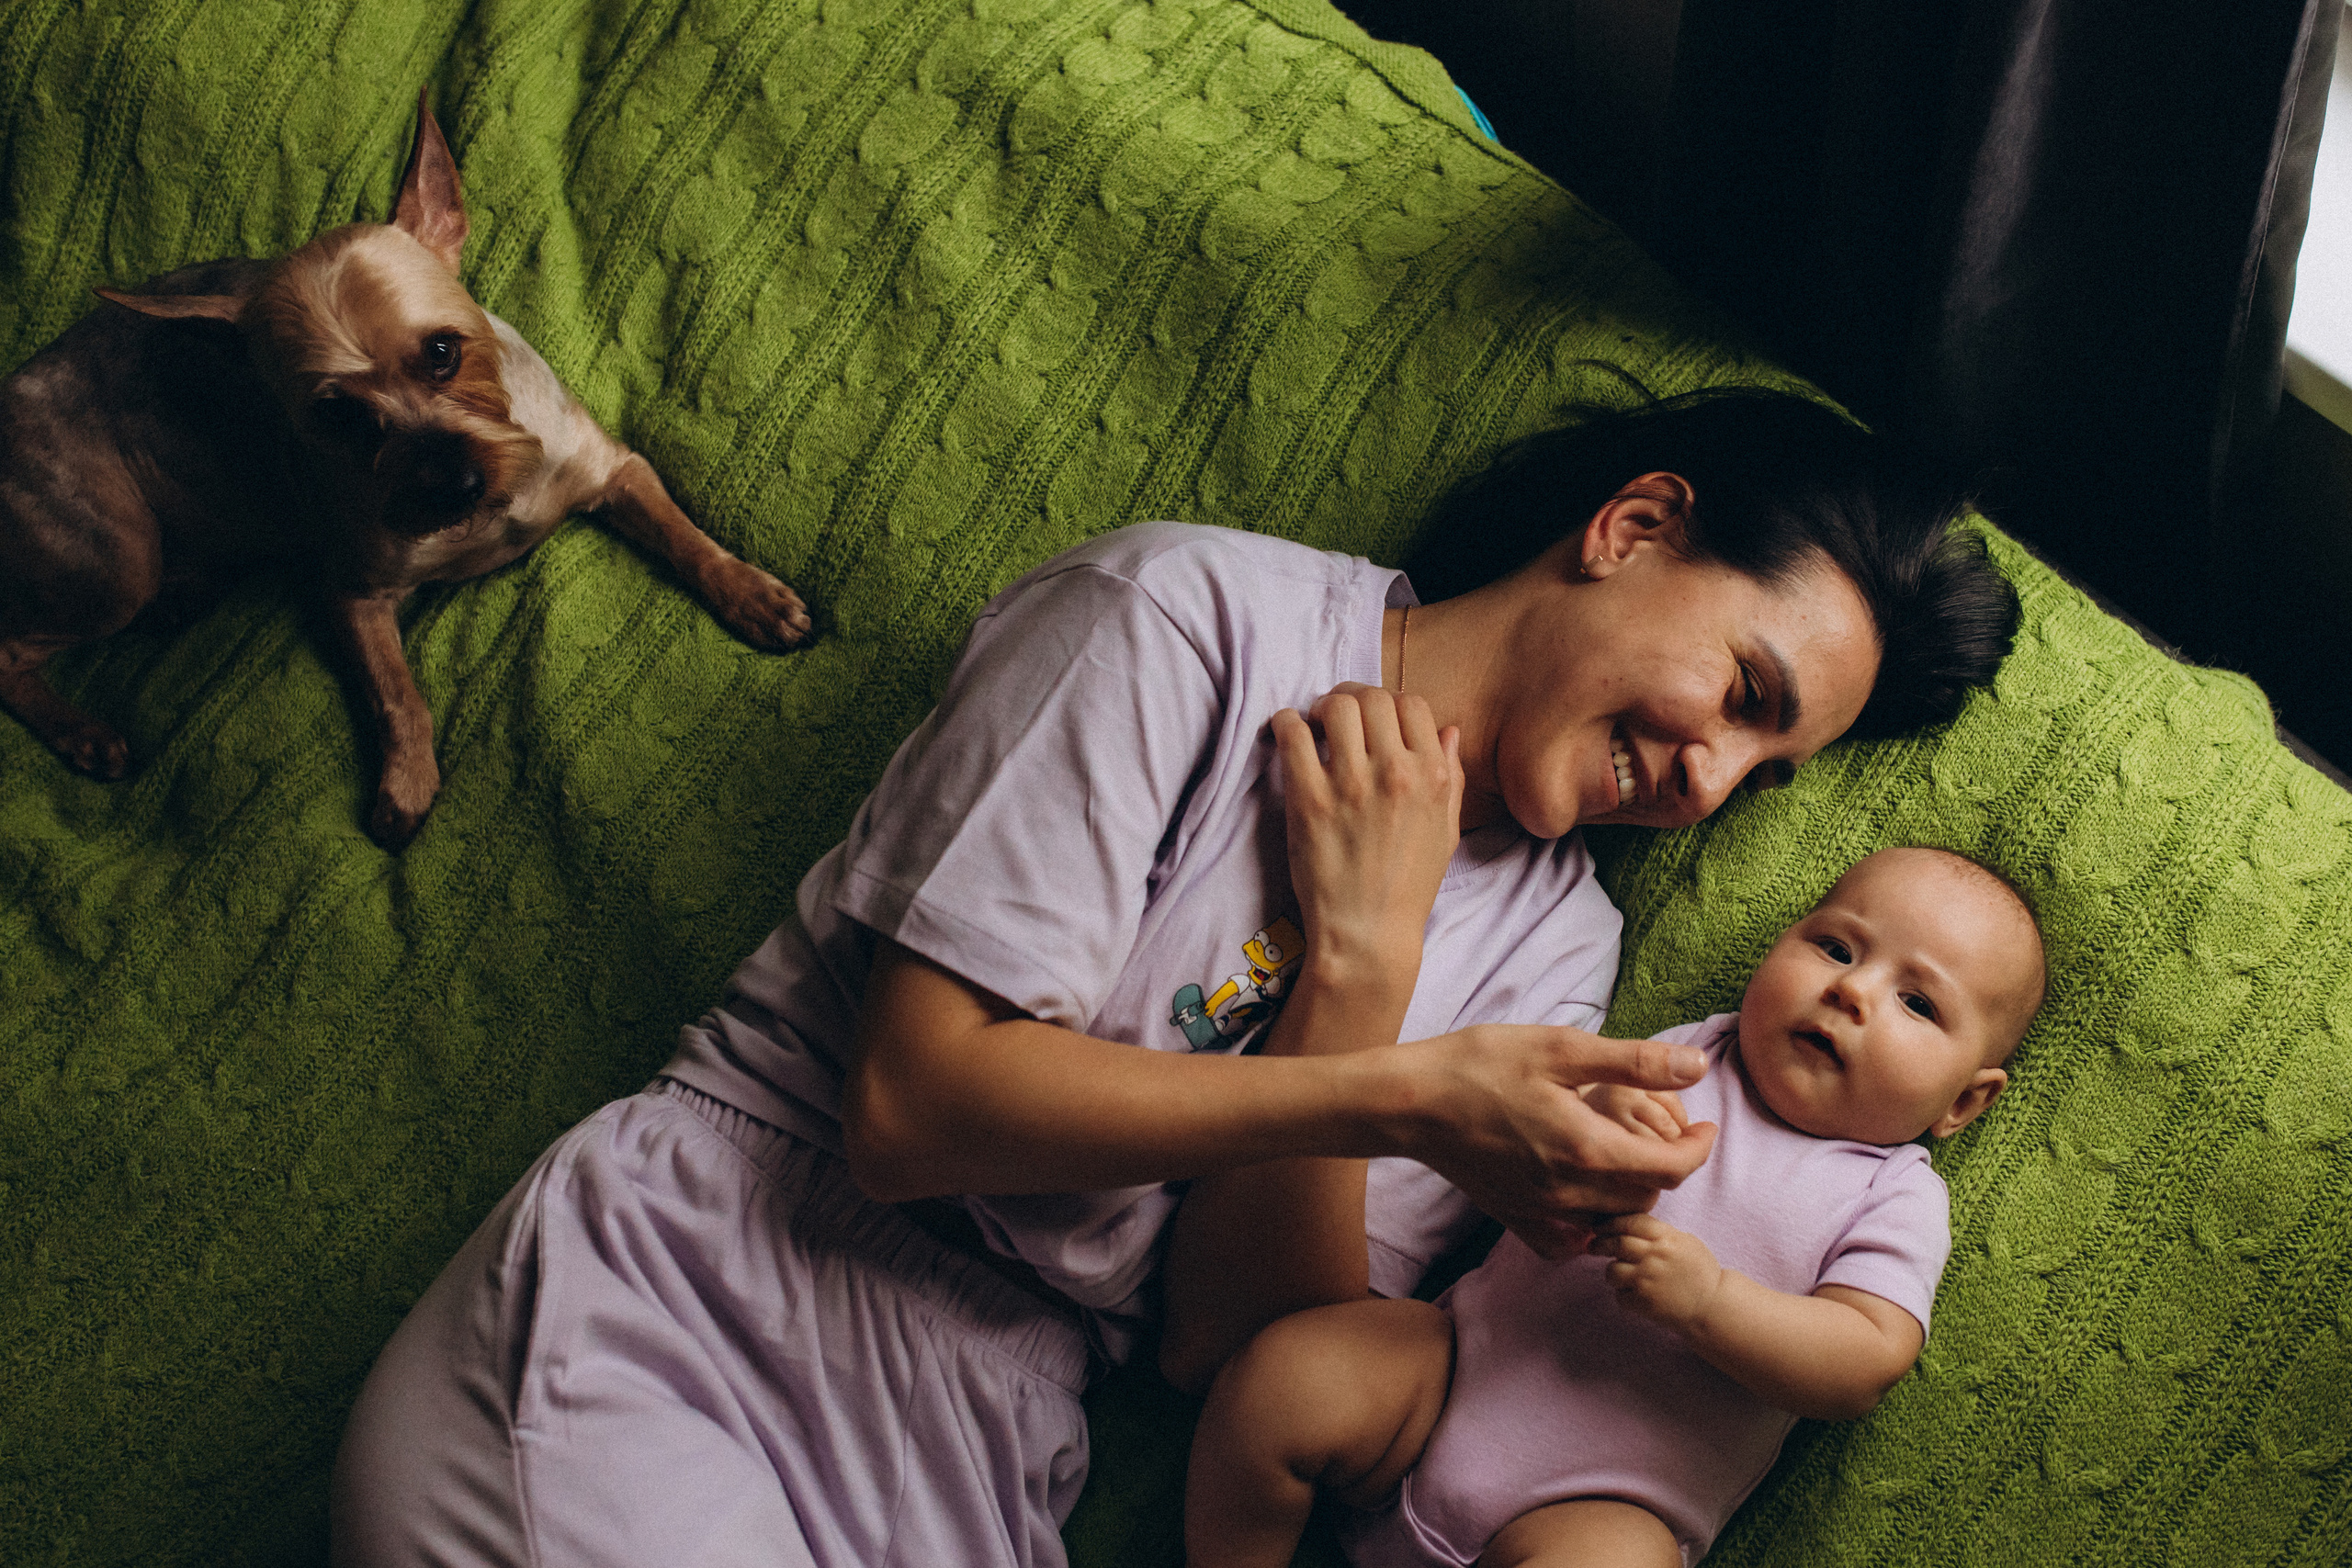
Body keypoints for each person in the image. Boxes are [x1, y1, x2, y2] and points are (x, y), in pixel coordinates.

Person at [329, 389, 2022, 1568]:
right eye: (1738, 688)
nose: (1713, 778)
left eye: (1766, 768)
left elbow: (1231, 1346)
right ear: (1636, 525)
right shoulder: (1182, 619)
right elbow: (913, 1113)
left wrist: (1359, 974)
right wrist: (1398, 1079)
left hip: (992, 1431)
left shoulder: (1563, 947)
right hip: (699, 1293)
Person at [1182, 847, 2048, 1568]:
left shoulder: (1892, 1192)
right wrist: (1596, 1111)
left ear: (1964, 1103)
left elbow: (1866, 1357)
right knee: (1283, 1378)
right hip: (1449, 1373)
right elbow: (1547, 1129)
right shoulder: (1691, 1056)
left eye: (1918, 1002)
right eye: (1835, 947)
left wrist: (1712, 1302)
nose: (1852, 992)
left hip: (1601, 1507)